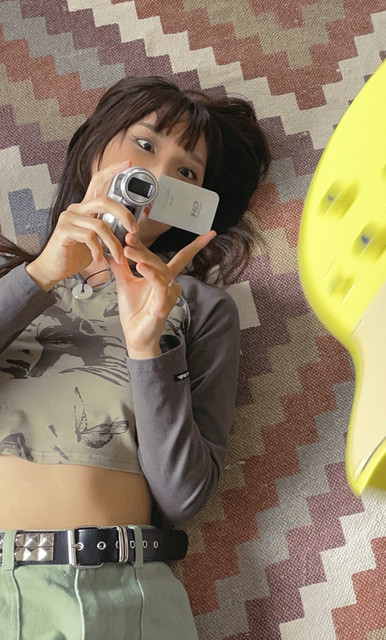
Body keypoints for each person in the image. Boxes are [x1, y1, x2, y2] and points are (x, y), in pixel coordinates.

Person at [0, 76, 270, 639]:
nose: (157, 177)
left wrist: (148, 349)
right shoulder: (12, 280)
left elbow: (182, 494)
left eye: (186, 173)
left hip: (121, 598)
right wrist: (42, 274)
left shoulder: (199, 307)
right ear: (96, 148)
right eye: (144, 145)